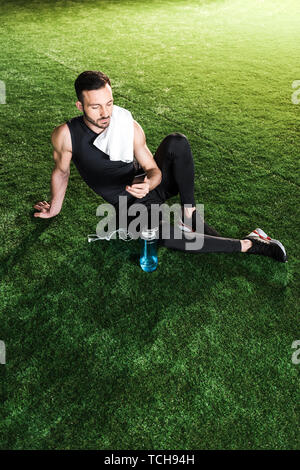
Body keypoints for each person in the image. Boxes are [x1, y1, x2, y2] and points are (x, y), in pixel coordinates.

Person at [33, 70, 287, 262]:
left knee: (177, 142)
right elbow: (62, 171)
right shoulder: (65, 135)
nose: (105, 113)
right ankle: (250, 244)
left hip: (147, 186)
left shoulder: (127, 125)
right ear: (80, 106)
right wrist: (54, 209)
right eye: (95, 106)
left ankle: (189, 215)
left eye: (109, 103)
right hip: (128, 206)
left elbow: (153, 170)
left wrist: (149, 183)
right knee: (163, 236)